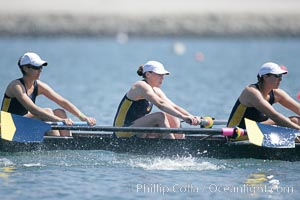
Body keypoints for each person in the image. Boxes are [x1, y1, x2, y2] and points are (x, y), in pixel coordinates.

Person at [1, 52, 96, 136]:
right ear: (25, 68)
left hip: (22, 124)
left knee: (60, 112)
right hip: (6, 127)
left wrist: (83, 117)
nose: (40, 70)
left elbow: (62, 101)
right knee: (47, 111)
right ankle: (56, 145)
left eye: (41, 67)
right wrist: (59, 121)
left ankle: (68, 142)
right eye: (36, 67)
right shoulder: (15, 86)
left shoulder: (38, 85)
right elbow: (33, 109)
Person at [113, 60, 201, 139]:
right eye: (159, 74)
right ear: (148, 74)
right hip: (122, 131)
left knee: (173, 117)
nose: (162, 78)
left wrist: (191, 117)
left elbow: (174, 106)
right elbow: (160, 104)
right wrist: (183, 117)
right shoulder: (140, 86)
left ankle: (181, 146)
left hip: (136, 129)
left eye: (163, 75)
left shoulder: (155, 90)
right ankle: (173, 149)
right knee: (160, 116)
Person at [227, 62, 300, 132]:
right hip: (237, 133)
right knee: (291, 121)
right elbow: (274, 116)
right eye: (277, 76)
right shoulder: (251, 92)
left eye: (281, 76)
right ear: (265, 77)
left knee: (296, 121)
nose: (280, 79)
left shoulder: (277, 94)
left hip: (258, 132)